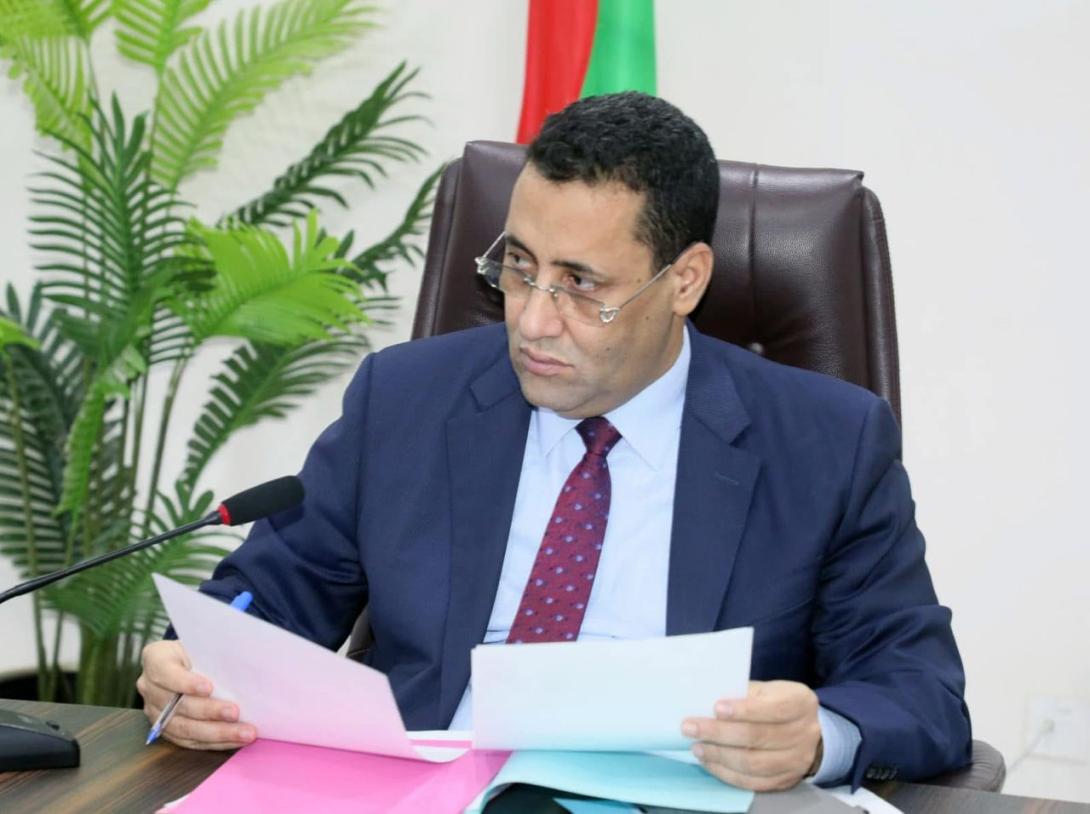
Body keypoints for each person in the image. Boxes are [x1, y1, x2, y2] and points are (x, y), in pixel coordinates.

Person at [137, 92, 971, 791]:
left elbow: (919, 689)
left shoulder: (828, 443)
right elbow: (267, 601)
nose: (534, 320)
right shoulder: (405, 400)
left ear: (684, 280)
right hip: (422, 793)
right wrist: (194, 668)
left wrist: (818, 737)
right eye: (519, 267)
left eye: (580, 285)